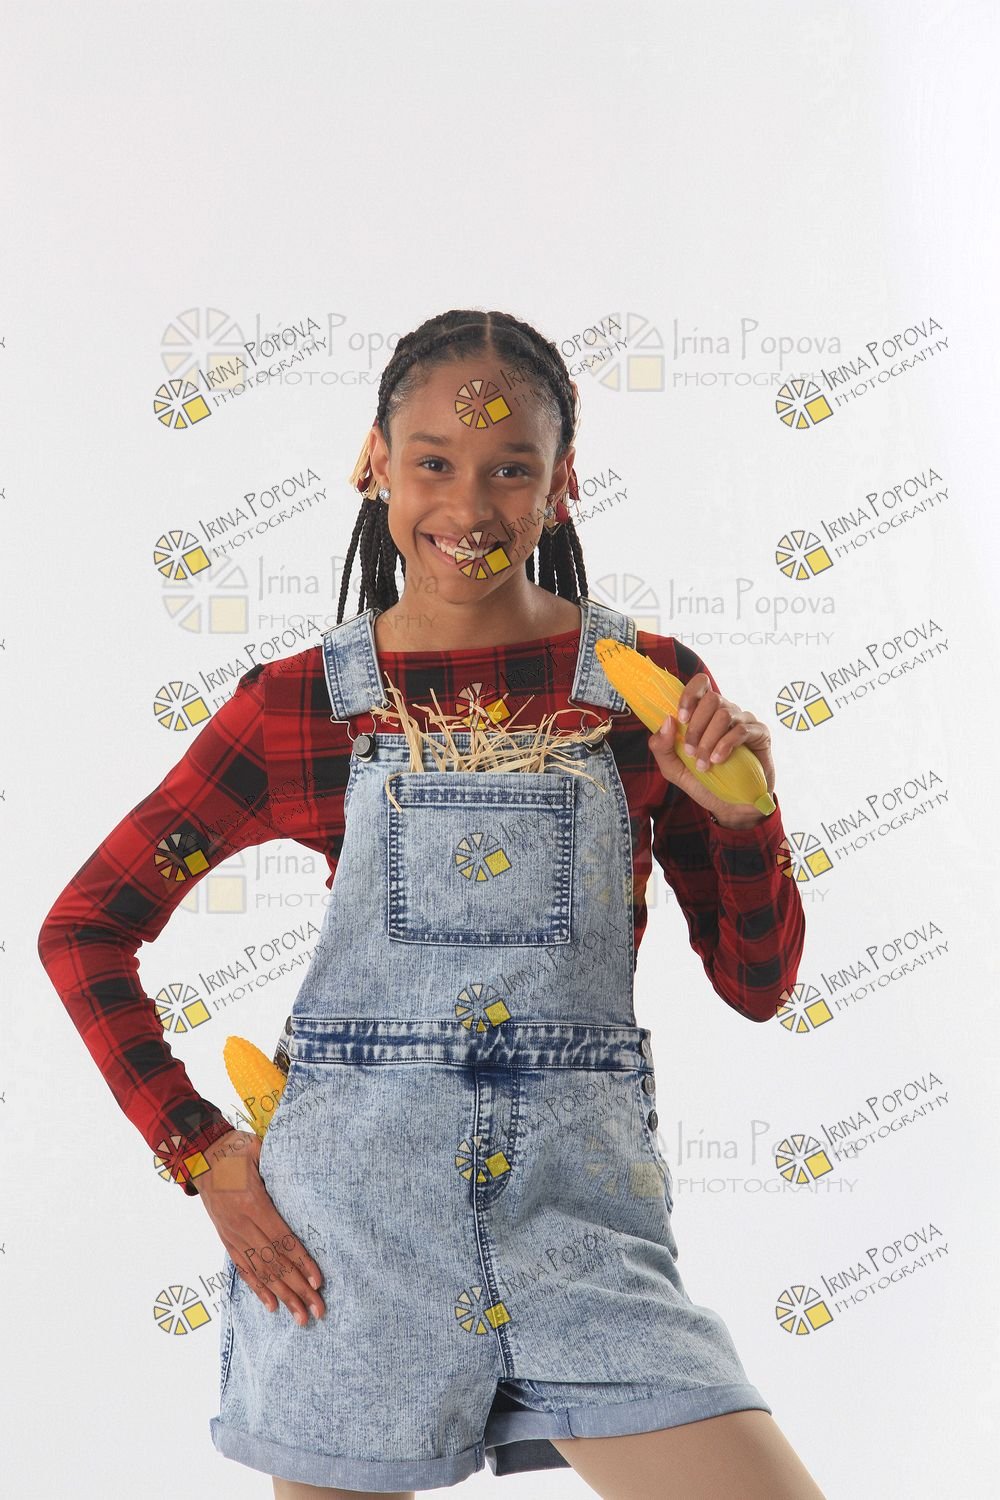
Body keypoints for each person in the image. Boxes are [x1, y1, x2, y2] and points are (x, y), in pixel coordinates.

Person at [37, 307, 826, 1500]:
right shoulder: (297, 706)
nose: (470, 505)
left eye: (511, 468)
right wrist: (202, 1154)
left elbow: (759, 990)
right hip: (345, 1254)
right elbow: (85, 928)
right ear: (375, 464)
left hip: (581, 1234)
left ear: (562, 482)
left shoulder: (649, 694)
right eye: (434, 463)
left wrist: (739, 817)